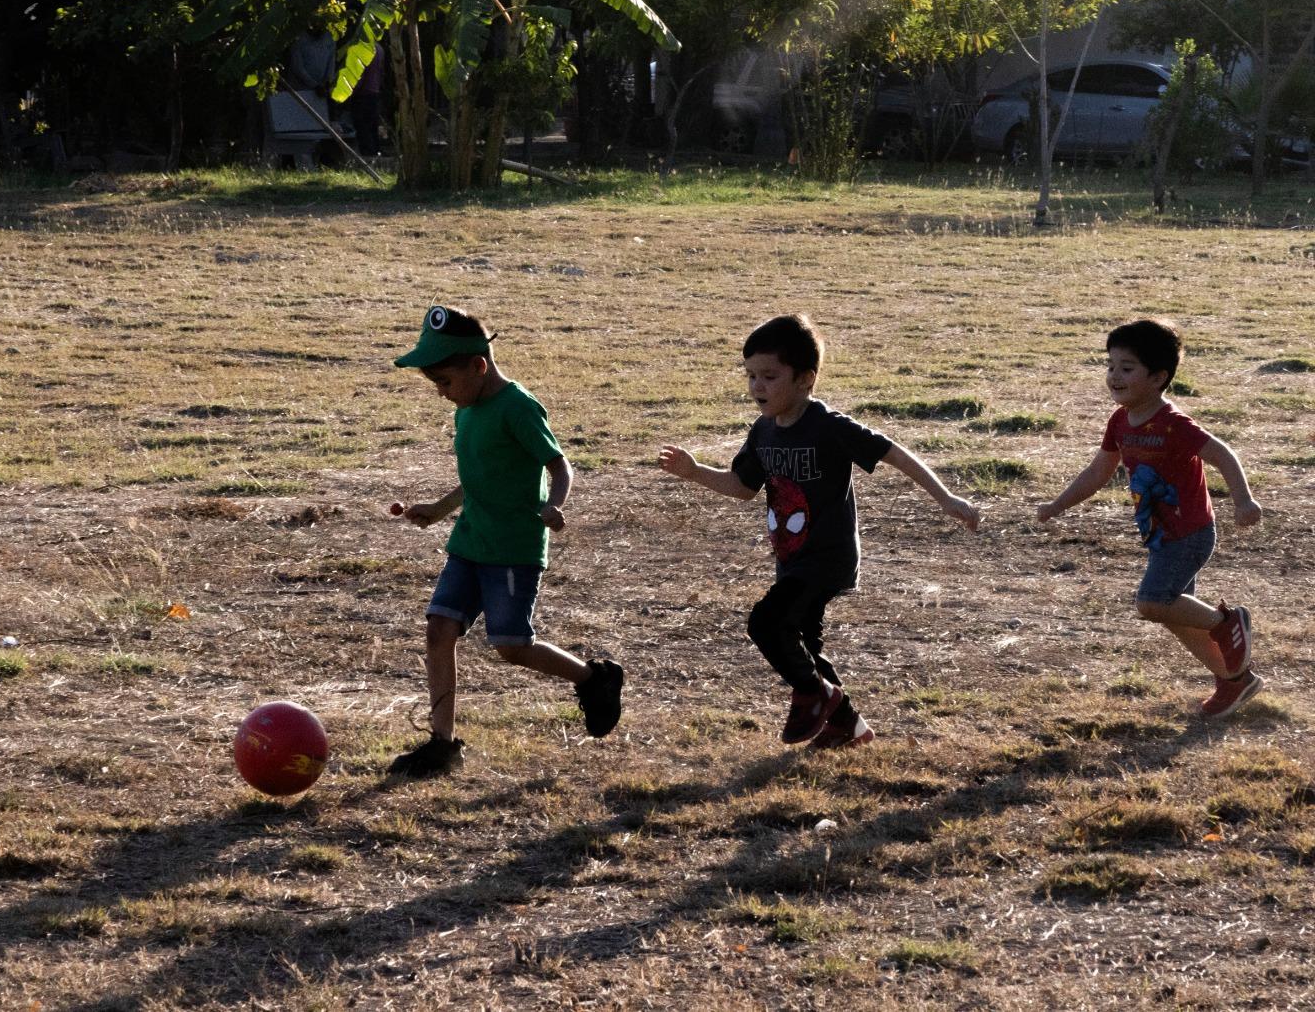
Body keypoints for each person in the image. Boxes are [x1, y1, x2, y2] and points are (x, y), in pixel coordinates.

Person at [659, 314, 980, 748]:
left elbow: (894, 453)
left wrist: (946, 499)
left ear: (806, 379)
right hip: (791, 557)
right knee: (802, 644)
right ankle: (848, 726)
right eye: (751, 375)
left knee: (766, 623)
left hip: (826, 557)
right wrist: (695, 472)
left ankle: (817, 695)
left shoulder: (827, 426)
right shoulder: (764, 432)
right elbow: (741, 487)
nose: (757, 386)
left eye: (770, 376)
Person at [389, 305, 623, 776]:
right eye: (435, 384)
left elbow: (559, 464)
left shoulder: (518, 406)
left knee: (511, 645)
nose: (441, 393)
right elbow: (478, 477)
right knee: (439, 629)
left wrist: (555, 504)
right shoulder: (467, 409)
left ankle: (594, 678)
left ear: (478, 365)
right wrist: (438, 508)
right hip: (470, 541)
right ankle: (442, 743)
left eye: (445, 382)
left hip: (513, 548)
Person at [1037, 318, 1263, 717]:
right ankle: (1235, 681)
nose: (1114, 376)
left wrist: (1242, 500)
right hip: (1162, 535)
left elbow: (1223, 454)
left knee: (1152, 602)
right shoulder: (1121, 421)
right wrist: (1058, 505)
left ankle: (1227, 622)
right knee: (1177, 616)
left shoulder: (1174, 423)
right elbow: (1097, 472)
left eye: (1127, 368)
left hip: (1190, 533)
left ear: (1158, 377)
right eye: (1110, 366)